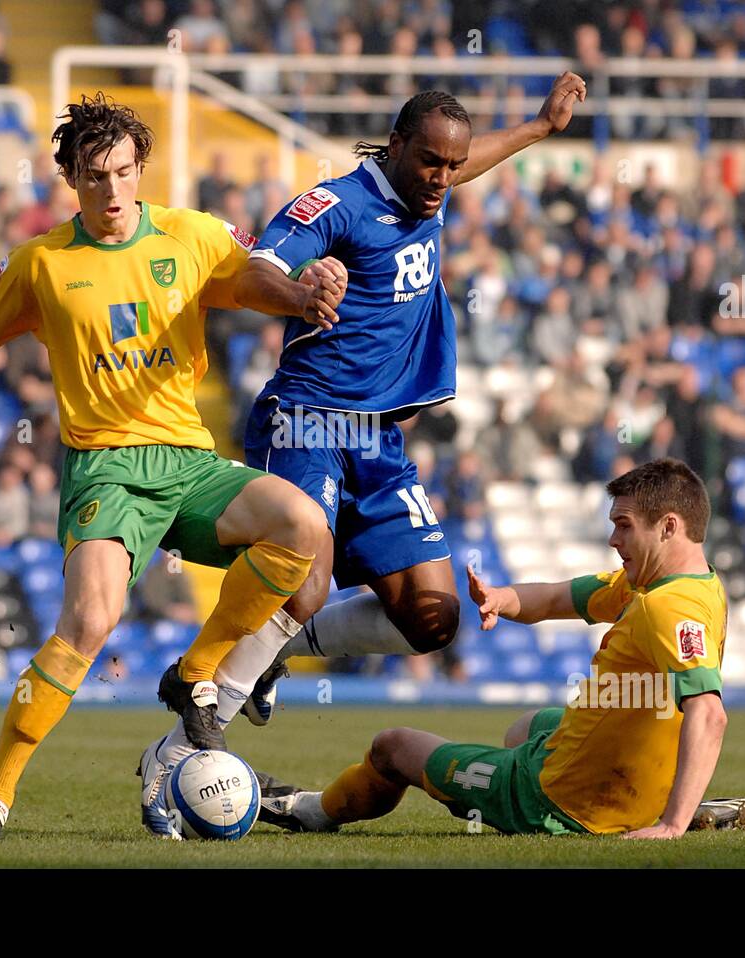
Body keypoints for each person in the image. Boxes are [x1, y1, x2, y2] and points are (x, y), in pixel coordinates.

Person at [0, 94, 344, 842]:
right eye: (93, 176)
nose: (111, 191)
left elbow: (251, 280)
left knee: (302, 527)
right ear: (71, 178)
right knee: (90, 621)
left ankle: (193, 670)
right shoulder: (41, 264)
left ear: (141, 169)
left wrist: (302, 295)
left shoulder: (193, 235)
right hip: (105, 471)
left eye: (122, 172)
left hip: (190, 462)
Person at [208, 78, 587, 744]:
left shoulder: (428, 190)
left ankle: (275, 655)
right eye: (432, 162)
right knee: (304, 585)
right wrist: (299, 298)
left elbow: (469, 158)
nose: (444, 177)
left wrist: (539, 127)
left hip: (376, 437)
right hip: (308, 421)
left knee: (435, 620)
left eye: (453, 165)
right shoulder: (339, 204)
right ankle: (190, 741)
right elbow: (253, 270)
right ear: (396, 145)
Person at [258, 459, 729, 839]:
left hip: (556, 801)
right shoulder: (687, 587)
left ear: (669, 527)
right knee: (523, 728)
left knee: (391, 746)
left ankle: (310, 811)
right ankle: (665, 803)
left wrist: (671, 827)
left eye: (624, 526)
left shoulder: (667, 609)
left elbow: (709, 715)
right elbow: (557, 597)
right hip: (619, 779)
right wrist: (503, 599)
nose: (613, 539)